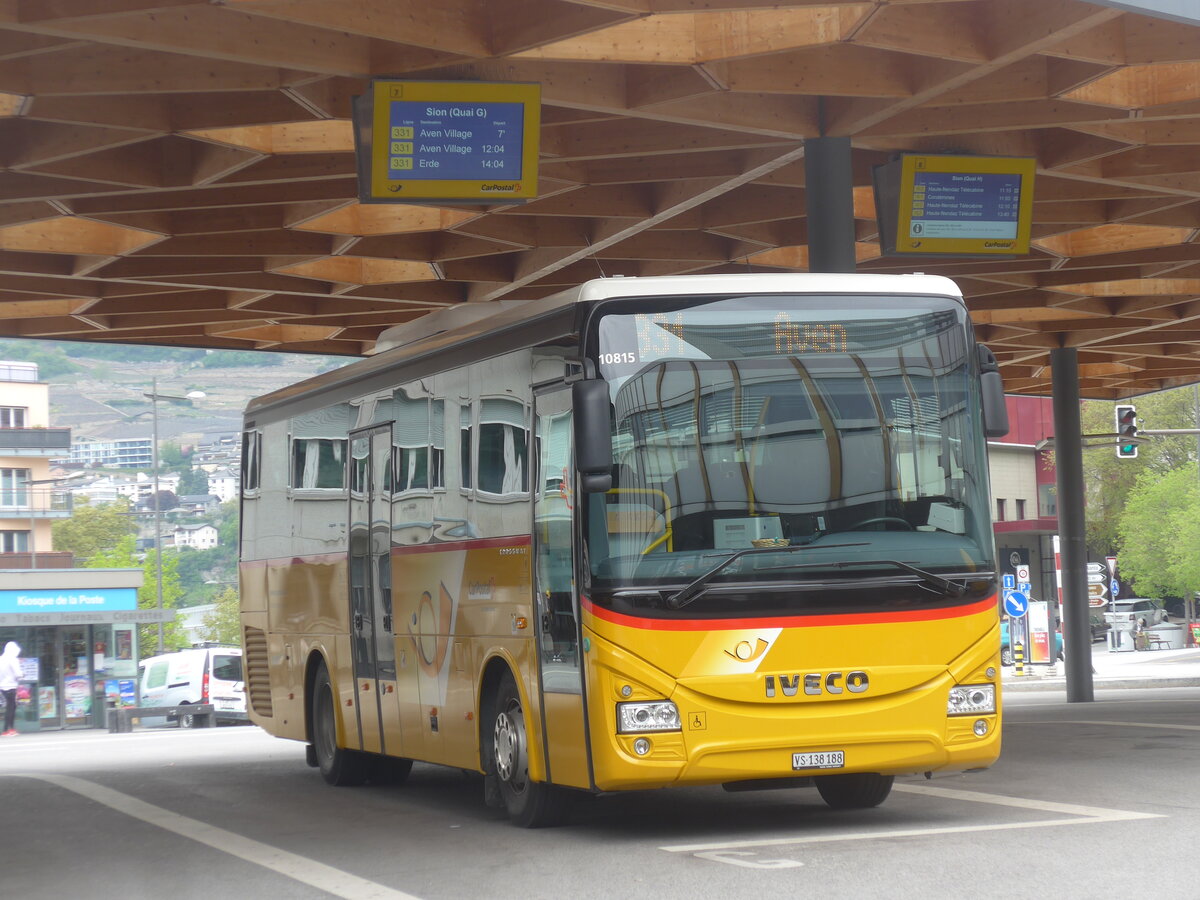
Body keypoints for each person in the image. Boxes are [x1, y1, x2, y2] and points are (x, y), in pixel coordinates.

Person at [0, 641, 21, 736]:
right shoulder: (12, 659)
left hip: (2, 687)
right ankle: (10, 729)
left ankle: (6, 729)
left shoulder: (1, 659)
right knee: (11, 708)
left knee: (9, 707)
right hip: (11, 686)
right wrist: (22, 675)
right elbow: (18, 674)